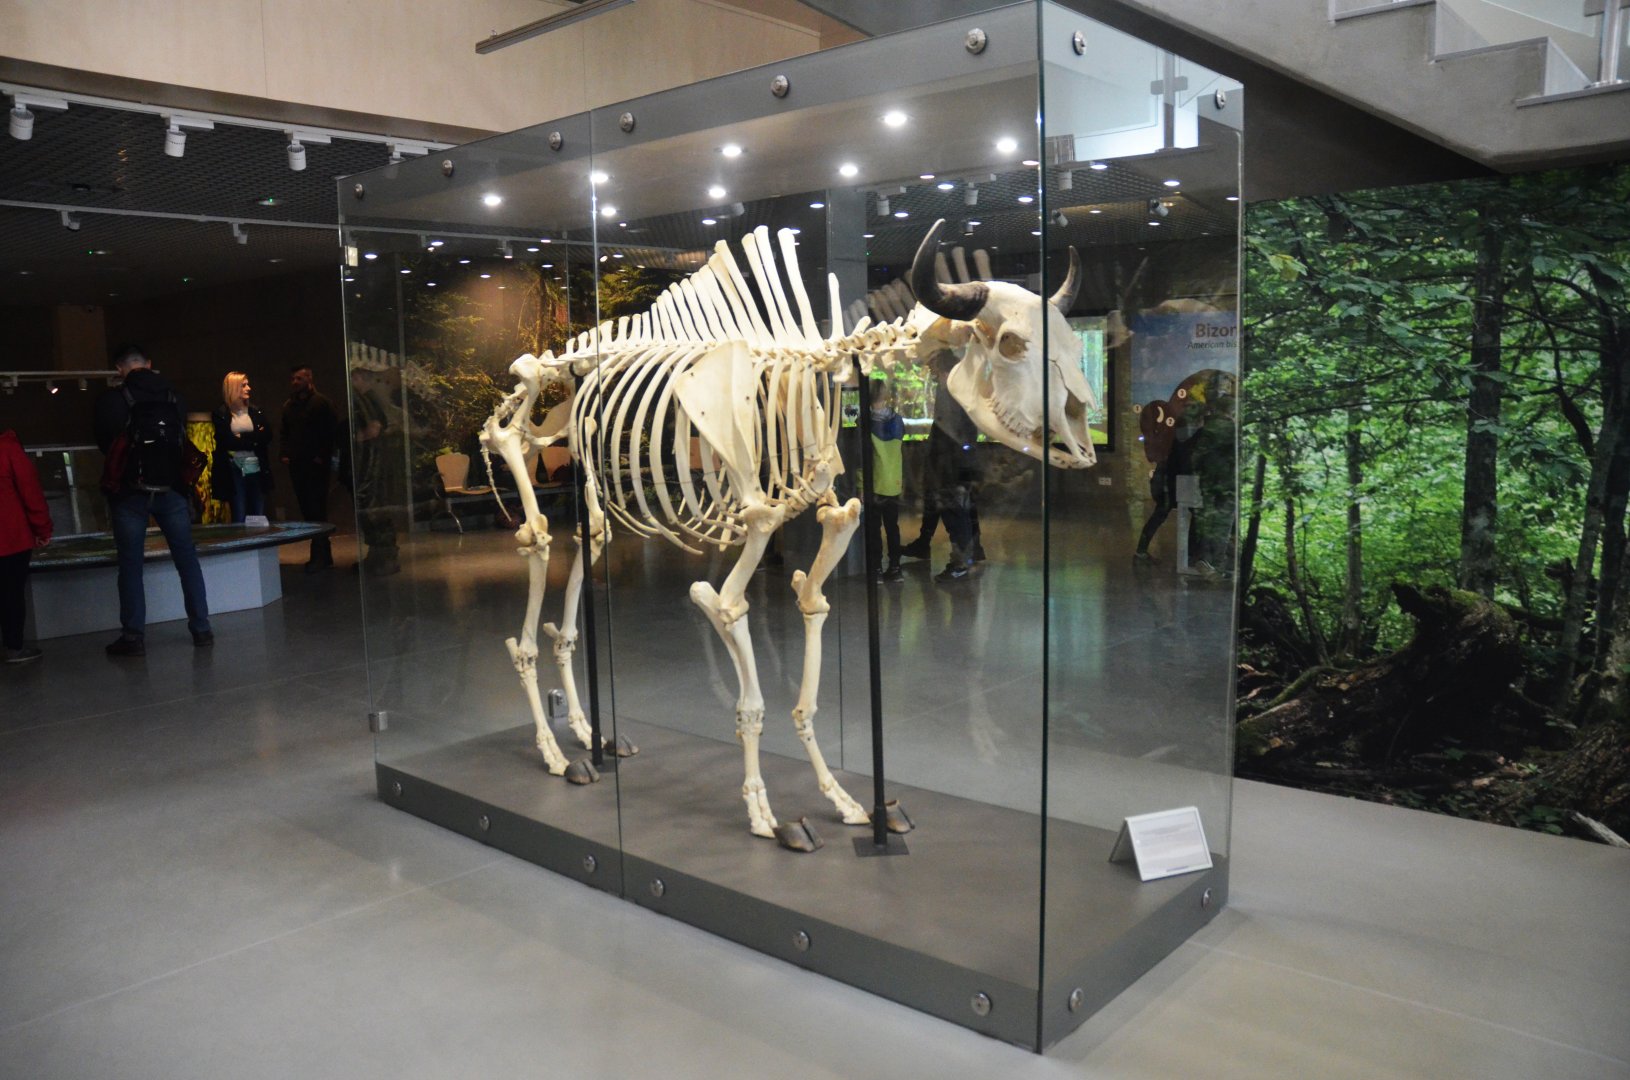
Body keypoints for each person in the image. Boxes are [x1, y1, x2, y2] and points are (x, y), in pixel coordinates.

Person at [94, 345, 212, 655]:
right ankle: (201, 628)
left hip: (130, 495)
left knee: (131, 566)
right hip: (171, 491)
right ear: (149, 364)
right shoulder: (176, 397)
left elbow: (105, 444)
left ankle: (133, 636)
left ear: (120, 369)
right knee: (187, 561)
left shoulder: (112, 401)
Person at [0, 426, 52, 664]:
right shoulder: (8, 448)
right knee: (11, 593)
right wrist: (42, 529)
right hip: (10, 538)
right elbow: (30, 492)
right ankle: (13, 647)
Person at [280, 364, 339, 571]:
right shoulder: (290, 406)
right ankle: (322, 552)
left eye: (299, 378)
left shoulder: (322, 403)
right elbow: (285, 432)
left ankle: (320, 554)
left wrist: (321, 456)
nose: (295, 382)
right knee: (307, 509)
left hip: (316, 465)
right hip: (298, 464)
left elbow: (331, 432)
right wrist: (285, 454)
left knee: (317, 508)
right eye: (293, 379)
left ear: (309, 379)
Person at [211, 371, 274, 523]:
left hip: (256, 466)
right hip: (234, 467)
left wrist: (242, 437)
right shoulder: (221, 413)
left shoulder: (255, 411)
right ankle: (243, 543)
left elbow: (267, 436)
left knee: (257, 511)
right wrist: (253, 438)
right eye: (243, 385)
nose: (248, 388)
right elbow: (226, 440)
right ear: (233, 388)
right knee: (239, 511)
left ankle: (257, 544)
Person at [866, 377, 905, 583]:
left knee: (874, 528)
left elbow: (862, 457)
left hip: (874, 483)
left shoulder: (865, 422)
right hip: (894, 482)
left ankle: (876, 569)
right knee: (893, 527)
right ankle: (896, 567)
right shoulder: (897, 421)